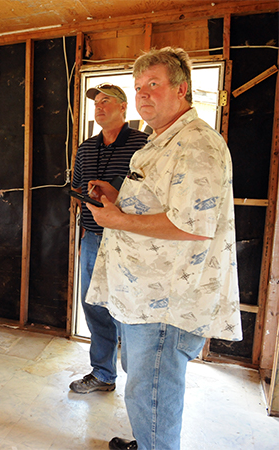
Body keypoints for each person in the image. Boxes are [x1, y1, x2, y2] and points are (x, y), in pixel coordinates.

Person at [85, 47, 242, 450]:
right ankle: (149, 441)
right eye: (139, 87)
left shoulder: (196, 145)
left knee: (152, 391)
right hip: (143, 295)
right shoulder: (163, 141)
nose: (144, 95)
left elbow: (194, 226)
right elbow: (163, 203)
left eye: (154, 84)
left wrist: (117, 220)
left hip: (165, 301)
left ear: (182, 88)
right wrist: (118, 199)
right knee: (145, 385)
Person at [69, 84, 148, 394]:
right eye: (96, 103)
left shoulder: (144, 144)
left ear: (124, 107)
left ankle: (138, 384)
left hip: (131, 241)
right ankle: (103, 374)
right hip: (93, 239)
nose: (99, 107)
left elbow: (154, 196)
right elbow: (75, 190)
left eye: (106, 101)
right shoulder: (86, 148)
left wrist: (118, 198)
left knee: (129, 310)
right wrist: (84, 197)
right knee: (94, 306)